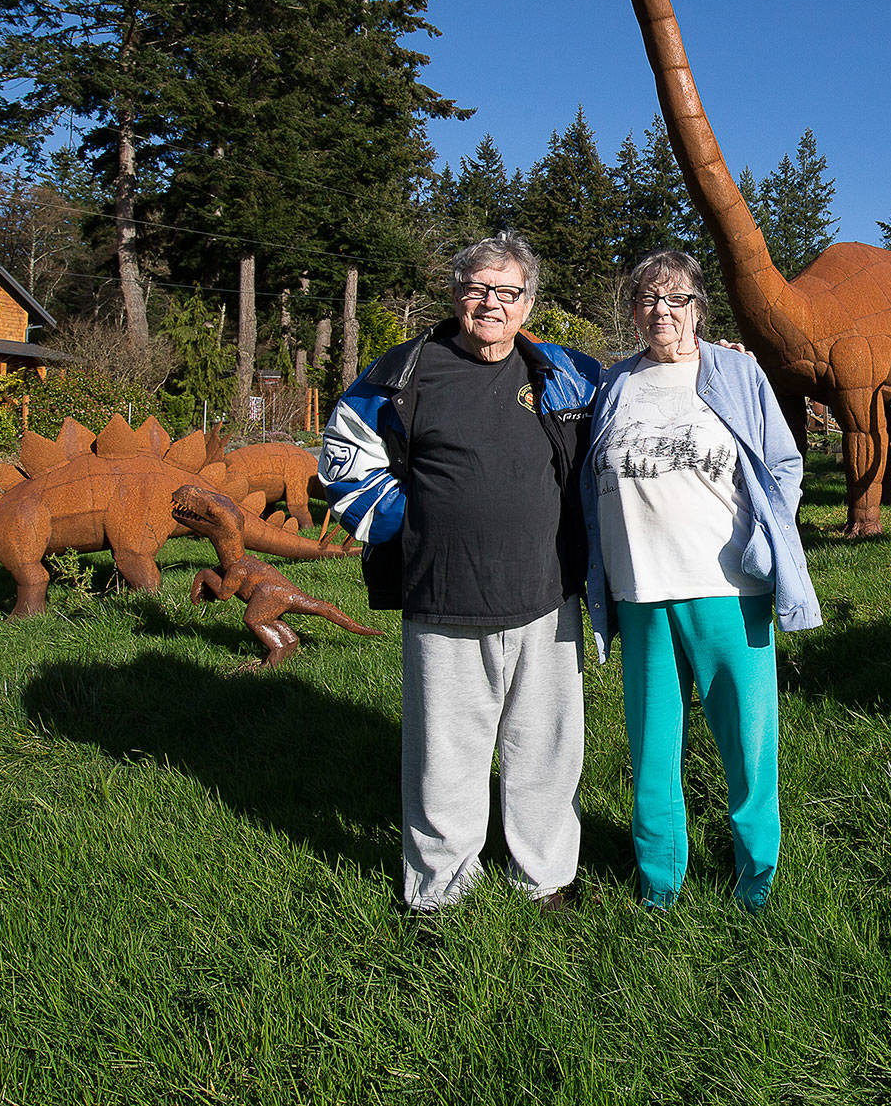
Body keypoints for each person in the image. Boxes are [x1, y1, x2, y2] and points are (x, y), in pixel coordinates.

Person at [319, 233, 601, 912]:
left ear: (528, 302)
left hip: (547, 598)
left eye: (507, 292)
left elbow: (646, 392)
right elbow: (343, 458)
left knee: (547, 750)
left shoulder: (565, 373)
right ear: (455, 294)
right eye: (477, 288)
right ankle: (440, 892)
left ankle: (545, 878)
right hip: (443, 597)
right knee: (446, 759)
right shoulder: (402, 371)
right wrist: (415, 530)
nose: (491, 303)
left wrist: (710, 360)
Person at [582, 250, 821, 911]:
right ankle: (660, 884)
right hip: (640, 595)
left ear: (698, 309)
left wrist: (765, 537)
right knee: (653, 753)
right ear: (632, 312)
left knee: (747, 746)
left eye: (676, 298)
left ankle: (757, 882)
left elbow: (783, 462)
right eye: (648, 299)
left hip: (728, 589)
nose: (662, 311)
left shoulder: (735, 370)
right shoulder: (613, 384)